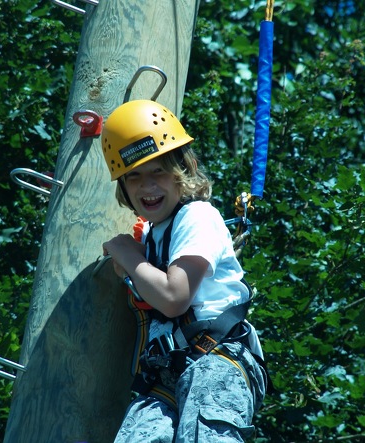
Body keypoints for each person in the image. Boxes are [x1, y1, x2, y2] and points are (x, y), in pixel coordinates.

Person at [101, 99, 268, 442]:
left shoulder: (198, 216)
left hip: (218, 360)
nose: (147, 186)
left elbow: (175, 297)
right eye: (134, 176)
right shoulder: (148, 236)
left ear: (183, 168)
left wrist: (128, 257)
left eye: (158, 171)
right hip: (168, 375)